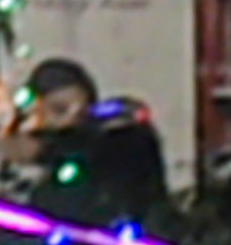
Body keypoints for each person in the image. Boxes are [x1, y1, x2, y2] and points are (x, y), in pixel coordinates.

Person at [11, 59, 171, 229]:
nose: (72, 116)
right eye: (58, 109)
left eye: (61, 108)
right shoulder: (32, 146)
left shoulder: (119, 136)